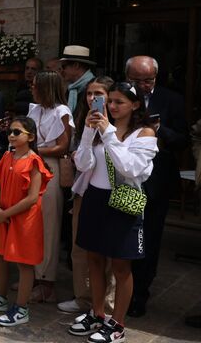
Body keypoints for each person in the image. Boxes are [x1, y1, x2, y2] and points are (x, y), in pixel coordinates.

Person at [69, 83, 157, 342]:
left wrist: (107, 132)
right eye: (111, 101)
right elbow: (84, 164)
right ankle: (97, 314)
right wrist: (88, 131)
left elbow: (129, 168)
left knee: (121, 265)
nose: (112, 106)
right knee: (93, 259)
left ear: (136, 105)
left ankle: (117, 323)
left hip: (122, 201)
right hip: (95, 197)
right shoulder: (99, 129)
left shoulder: (144, 134)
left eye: (119, 102)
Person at [125, 55, 189, 317]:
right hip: (125, 180)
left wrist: (159, 129)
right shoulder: (119, 97)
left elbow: (181, 140)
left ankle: (139, 295)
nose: (143, 86)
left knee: (147, 240)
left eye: (148, 80)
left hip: (155, 184)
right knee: (122, 237)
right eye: (137, 81)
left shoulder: (171, 99)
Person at [0, 116, 52, 326]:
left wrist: (6, 214)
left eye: (17, 132)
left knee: (24, 263)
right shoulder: (8, 156)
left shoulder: (34, 161)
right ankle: (0, 297)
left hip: (24, 219)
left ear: (31, 137)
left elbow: (33, 197)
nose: (11, 135)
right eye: (10, 132)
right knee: (0, 255)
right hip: (5, 215)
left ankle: (21, 308)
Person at [58, 76, 116, 315]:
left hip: (113, 195)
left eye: (99, 94)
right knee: (80, 248)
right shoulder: (84, 121)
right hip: (85, 191)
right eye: (90, 94)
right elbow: (82, 161)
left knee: (110, 254)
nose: (93, 99)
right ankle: (83, 298)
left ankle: (107, 305)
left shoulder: (120, 125)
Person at [24, 71, 74, 302]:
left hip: (49, 168)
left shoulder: (62, 112)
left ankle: (48, 282)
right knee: (30, 223)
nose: (31, 88)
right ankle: (32, 276)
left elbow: (63, 146)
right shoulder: (34, 109)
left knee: (49, 225)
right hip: (30, 166)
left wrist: (33, 151)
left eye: (35, 85)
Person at [59, 45, 96, 116]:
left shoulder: (94, 86)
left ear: (76, 65)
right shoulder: (71, 89)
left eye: (64, 67)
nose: (62, 71)